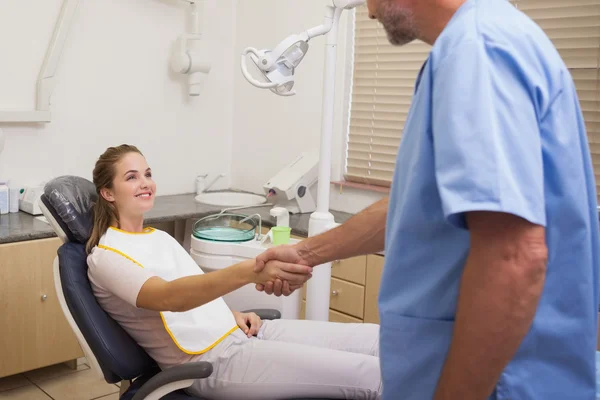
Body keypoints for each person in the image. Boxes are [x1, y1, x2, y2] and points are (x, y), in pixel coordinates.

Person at [254, 0, 600, 399]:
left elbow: (514, 257)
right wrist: (307, 253)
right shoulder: (478, 43)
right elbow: (414, 207)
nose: (368, 12)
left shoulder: (478, 50)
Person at [85, 144, 382, 400]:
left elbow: (194, 288)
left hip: (244, 333)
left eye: (148, 174)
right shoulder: (107, 257)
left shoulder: (158, 237)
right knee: (372, 375)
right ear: (108, 192)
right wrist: (250, 272)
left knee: (379, 340)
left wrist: (231, 315)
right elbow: (169, 297)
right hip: (211, 362)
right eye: (132, 177)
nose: (145, 182)